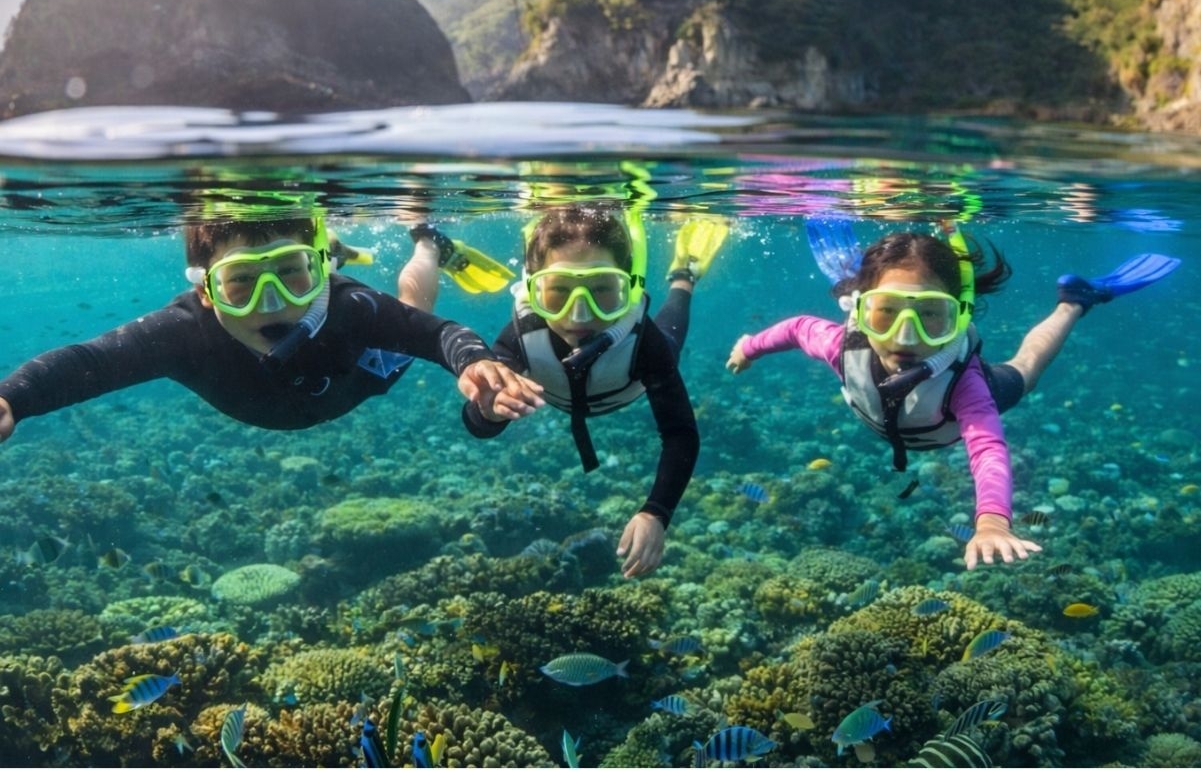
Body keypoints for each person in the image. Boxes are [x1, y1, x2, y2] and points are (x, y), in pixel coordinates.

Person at [726, 221, 1180, 571]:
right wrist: (749, 347)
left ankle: (1075, 301)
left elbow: (987, 451)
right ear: (861, 312)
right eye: (885, 313)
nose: (906, 336)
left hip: (966, 395)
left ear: (959, 318)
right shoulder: (844, 347)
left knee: (1026, 369)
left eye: (932, 317)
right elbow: (797, 328)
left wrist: (992, 522)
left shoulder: (966, 386)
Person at [0, 213, 543, 441]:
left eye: (292, 276)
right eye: (242, 283)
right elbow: (89, 363)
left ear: (321, 280)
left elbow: (434, 333)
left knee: (412, 303)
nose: (273, 304)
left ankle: (428, 243)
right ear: (206, 292)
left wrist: (473, 360)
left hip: (363, 372)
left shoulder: (349, 308)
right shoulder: (183, 331)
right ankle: (322, 251)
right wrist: (13, 400)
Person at [462, 203, 728, 578]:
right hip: (611, 389)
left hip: (634, 377)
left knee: (670, 336)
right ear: (532, 289)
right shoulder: (521, 337)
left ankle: (683, 274)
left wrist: (657, 512)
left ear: (628, 286)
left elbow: (680, 433)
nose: (579, 315)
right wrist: (488, 412)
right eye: (558, 293)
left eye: (603, 290)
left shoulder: (644, 345)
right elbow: (476, 419)